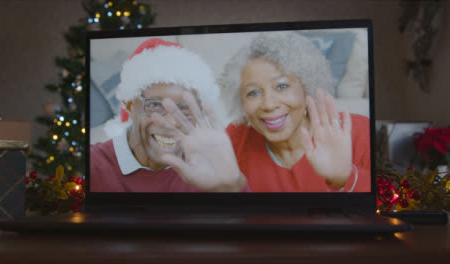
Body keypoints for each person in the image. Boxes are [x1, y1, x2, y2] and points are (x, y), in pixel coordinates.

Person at [218, 32, 371, 192]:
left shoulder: (358, 133)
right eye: (253, 93)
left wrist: (343, 178)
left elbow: (389, 205)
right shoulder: (235, 139)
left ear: (307, 88)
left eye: (282, 86)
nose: (269, 105)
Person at [90, 38, 247, 192]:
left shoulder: (208, 162)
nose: (171, 122)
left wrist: (232, 186)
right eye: (154, 105)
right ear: (129, 105)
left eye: (185, 108)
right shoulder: (93, 165)